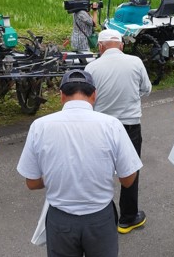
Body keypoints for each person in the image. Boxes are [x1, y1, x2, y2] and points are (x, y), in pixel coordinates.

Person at [17, 69, 143, 257]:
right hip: (100, 218)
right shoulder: (111, 125)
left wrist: (56, 175)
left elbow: (32, 182)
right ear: (94, 95)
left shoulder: (40, 126)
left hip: (60, 220)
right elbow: (128, 179)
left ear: (61, 96)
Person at [84, 29, 151, 234]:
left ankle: (96, 215)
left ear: (101, 47)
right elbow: (146, 89)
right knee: (129, 170)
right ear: (121, 45)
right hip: (130, 124)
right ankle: (128, 218)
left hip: (101, 125)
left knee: (97, 169)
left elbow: (88, 97)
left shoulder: (91, 67)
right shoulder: (135, 62)